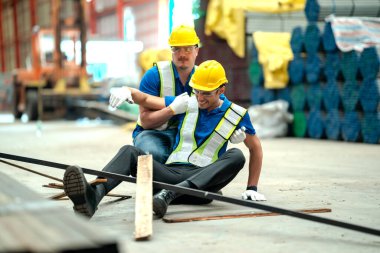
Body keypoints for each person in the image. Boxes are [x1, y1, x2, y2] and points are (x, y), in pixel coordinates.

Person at [63, 60, 266, 219]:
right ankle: (93, 196)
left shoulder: (236, 114)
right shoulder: (188, 102)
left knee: (236, 155)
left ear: (221, 90)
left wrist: (252, 187)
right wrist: (127, 91)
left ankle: (169, 195)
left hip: (202, 185)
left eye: (207, 93)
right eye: (197, 91)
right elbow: (147, 99)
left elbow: (255, 148)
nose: (200, 97)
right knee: (129, 151)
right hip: (171, 174)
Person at [112, 25, 200, 164]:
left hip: (187, 136)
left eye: (188, 49)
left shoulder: (204, 77)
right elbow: (146, 121)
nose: (182, 54)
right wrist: (171, 110)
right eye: (176, 49)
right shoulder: (155, 75)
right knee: (151, 156)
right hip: (153, 133)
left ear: (196, 50)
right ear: (171, 51)